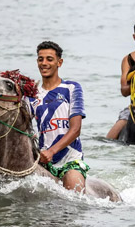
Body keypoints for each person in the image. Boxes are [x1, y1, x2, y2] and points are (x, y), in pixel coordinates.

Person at [27, 41, 89, 193]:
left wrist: (52, 152)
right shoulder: (31, 96)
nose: (44, 63)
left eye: (49, 59)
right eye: (40, 59)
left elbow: (75, 130)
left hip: (70, 160)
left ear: (59, 62)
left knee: (75, 199)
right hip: (42, 161)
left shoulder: (71, 88)